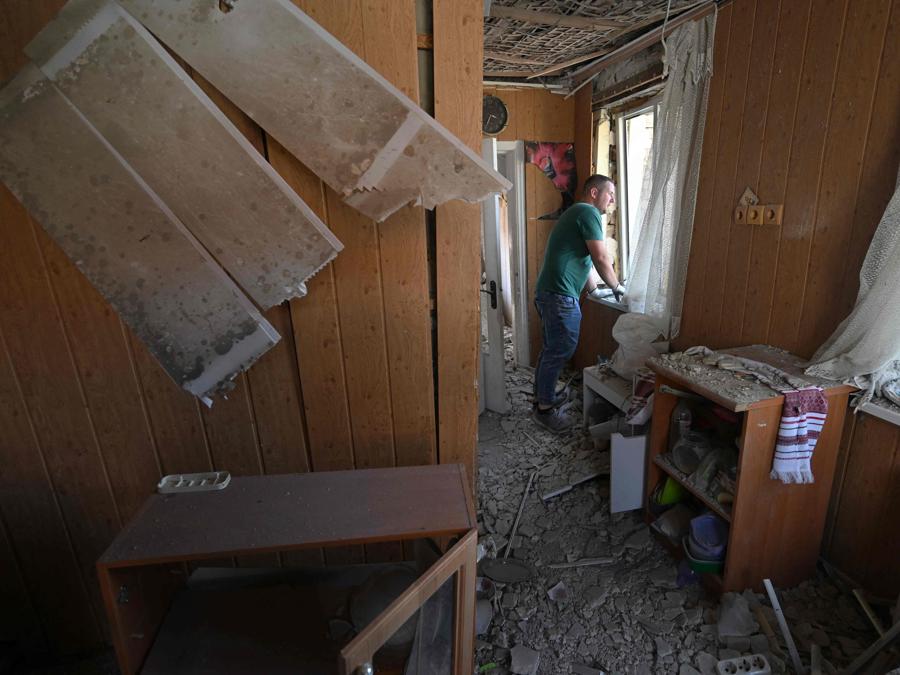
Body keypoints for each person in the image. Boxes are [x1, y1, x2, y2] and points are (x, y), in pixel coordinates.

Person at [532, 174, 624, 433]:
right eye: (610, 194)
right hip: (559, 294)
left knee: (552, 348)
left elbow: (579, 260)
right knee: (561, 348)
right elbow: (600, 256)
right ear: (594, 193)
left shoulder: (575, 214)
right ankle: (545, 410)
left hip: (550, 292)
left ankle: (541, 398)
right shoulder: (588, 212)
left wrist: (596, 290)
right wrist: (618, 288)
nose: (613, 200)